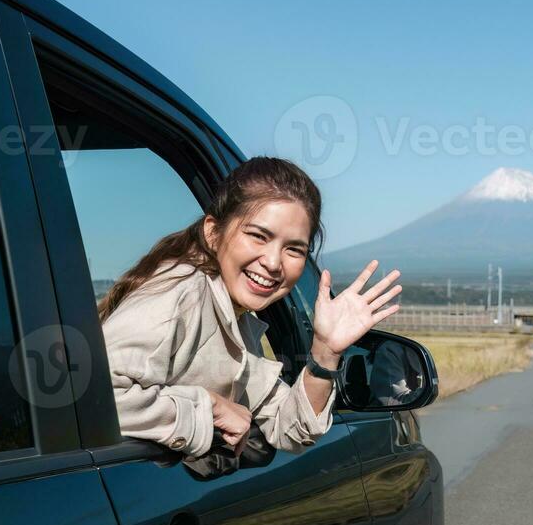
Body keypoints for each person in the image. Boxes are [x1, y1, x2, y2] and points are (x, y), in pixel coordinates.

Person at [99, 157, 401, 458]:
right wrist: (210, 409)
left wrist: (325, 351)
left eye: (294, 249)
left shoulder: (236, 319)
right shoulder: (181, 295)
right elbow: (88, 401)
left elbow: (290, 428)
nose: (272, 263)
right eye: (258, 236)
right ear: (213, 233)